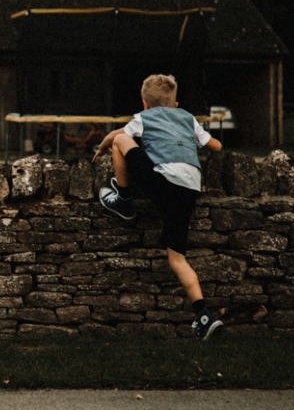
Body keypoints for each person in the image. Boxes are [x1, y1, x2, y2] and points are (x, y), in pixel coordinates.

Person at [92, 74, 224, 340]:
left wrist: (106, 141)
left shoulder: (144, 118)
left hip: (163, 182)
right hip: (189, 189)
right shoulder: (188, 118)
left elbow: (120, 136)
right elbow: (217, 146)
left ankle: (124, 200)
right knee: (177, 258)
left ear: (145, 103)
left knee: (120, 142)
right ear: (175, 104)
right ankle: (204, 315)